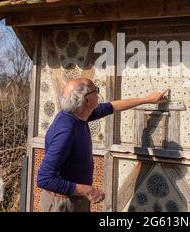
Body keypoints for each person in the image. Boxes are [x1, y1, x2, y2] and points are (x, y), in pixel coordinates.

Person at [37, 77, 167, 212]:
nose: (98, 94)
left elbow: (112, 107)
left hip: (73, 200)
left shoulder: (78, 114)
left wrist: (147, 99)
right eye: (96, 90)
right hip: (63, 204)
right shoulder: (66, 131)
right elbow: (44, 179)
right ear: (86, 100)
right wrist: (86, 190)